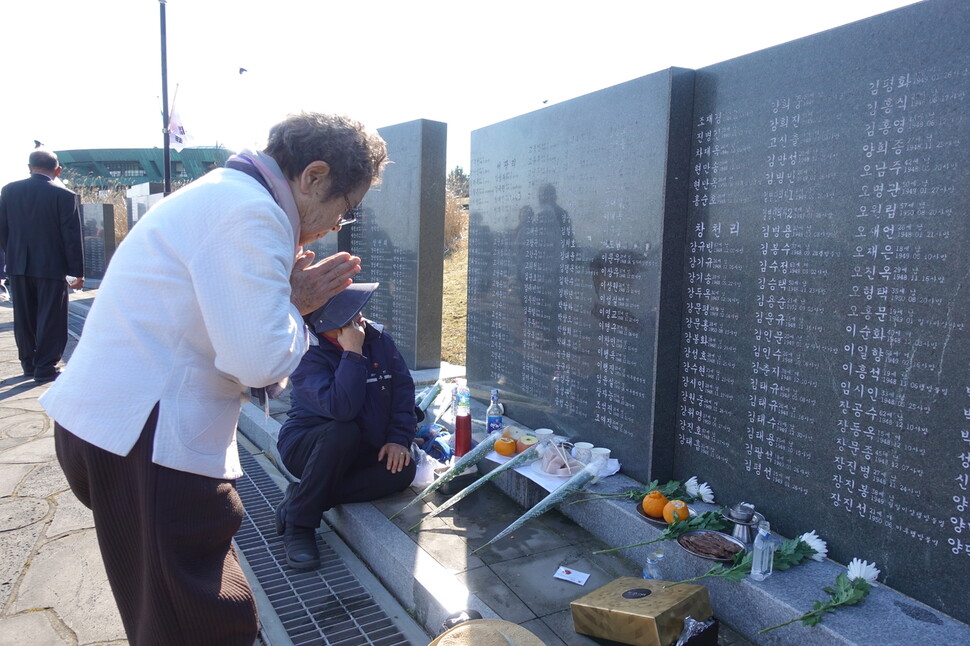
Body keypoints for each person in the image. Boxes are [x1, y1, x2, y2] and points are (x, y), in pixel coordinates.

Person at [41, 112, 388, 646]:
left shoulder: (225, 194)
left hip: (121, 429)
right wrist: (295, 306)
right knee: (198, 627)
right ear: (313, 176)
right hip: (151, 441)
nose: (333, 227)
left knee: (166, 613)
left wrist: (282, 301)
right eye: (345, 210)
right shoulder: (252, 213)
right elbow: (259, 359)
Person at [276, 282, 417, 569]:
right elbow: (342, 408)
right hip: (312, 447)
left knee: (402, 470)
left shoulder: (380, 341)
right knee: (344, 430)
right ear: (328, 325)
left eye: (358, 312)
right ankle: (299, 526)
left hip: (364, 448)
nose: (359, 321)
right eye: (349, 317)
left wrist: (398, 439)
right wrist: (353, 353)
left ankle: (300, 499)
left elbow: (403, 392)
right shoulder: (306, 353)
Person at [0, 149, 84, 382]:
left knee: (24, 317)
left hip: (18, 266)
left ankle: (28, 364)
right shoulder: (65, 195)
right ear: (58, 170)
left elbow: (3, 230)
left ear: (29, 168)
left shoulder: (9, 190)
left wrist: (14, 254)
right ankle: (45, 367)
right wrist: (77, 273)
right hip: (51, 266)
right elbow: (71, 237)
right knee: (51, 317)